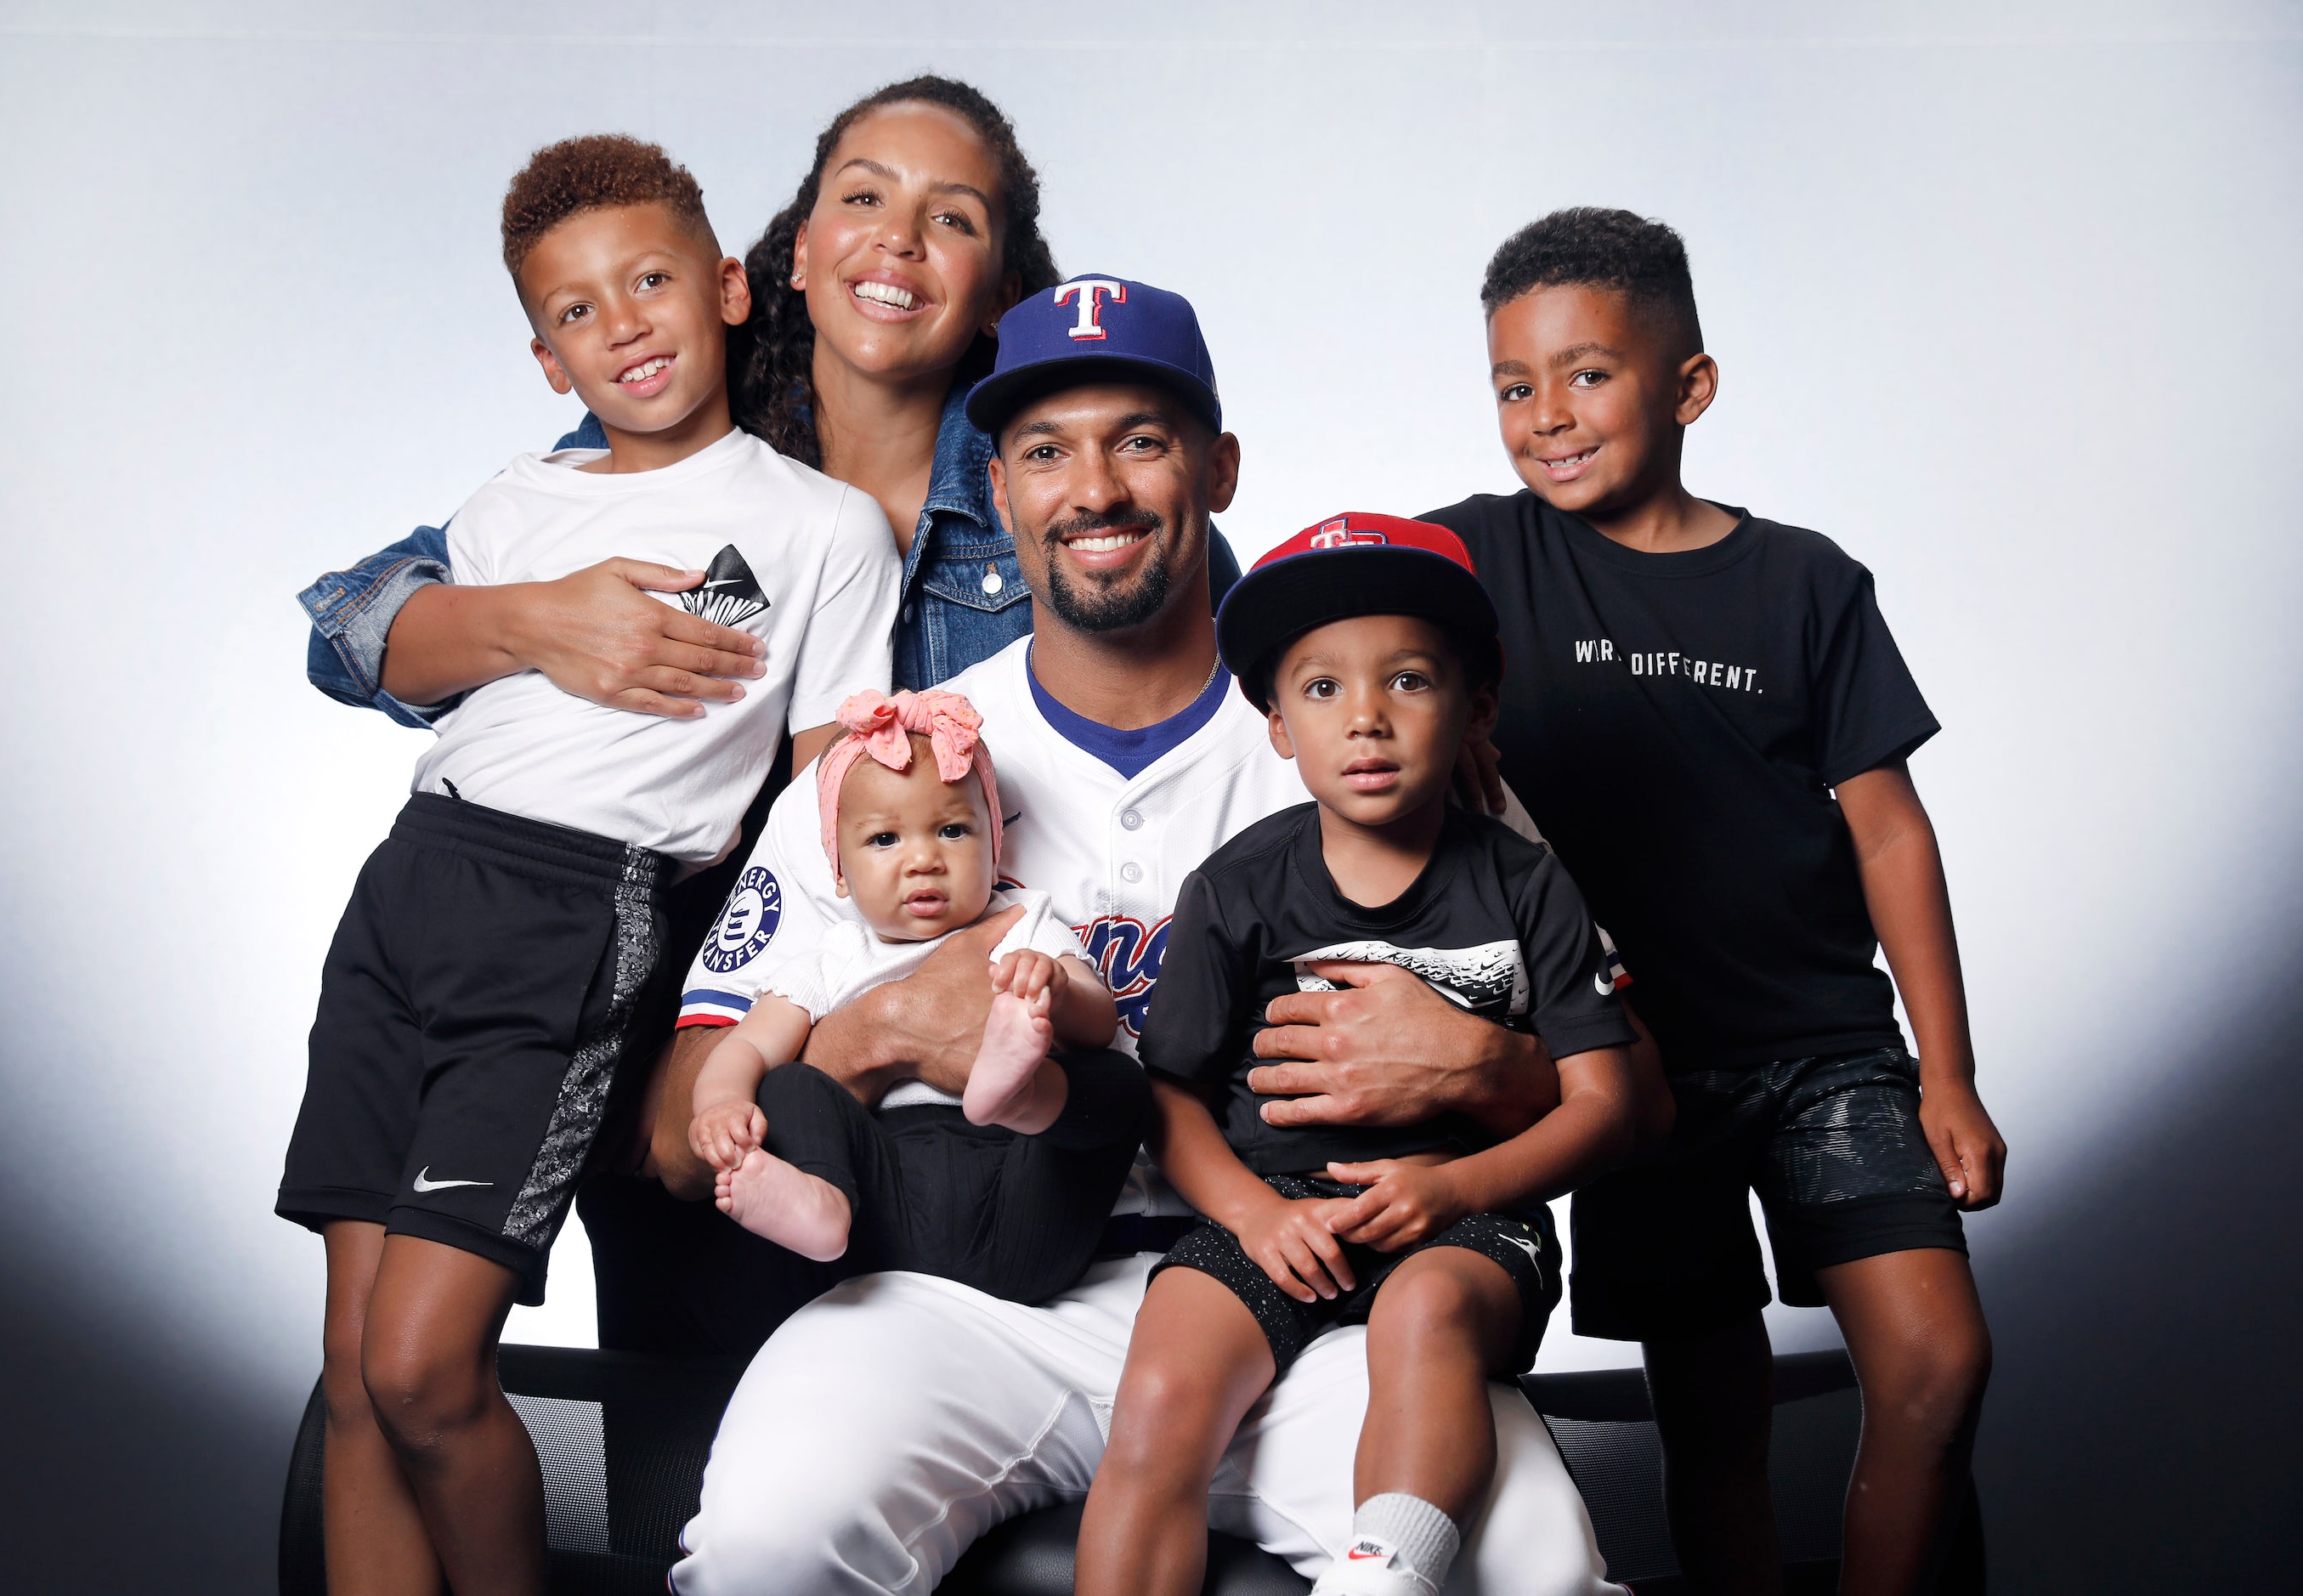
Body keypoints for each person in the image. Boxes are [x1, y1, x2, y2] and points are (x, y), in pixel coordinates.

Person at [651, 278, 1637, 1595]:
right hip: (971, 1304)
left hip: (1327, 1297)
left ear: (1218, 469)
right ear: (997, 489)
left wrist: (1476, 1070)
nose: (1094, 488)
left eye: (1141, 440)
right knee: (767, 1541)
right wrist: (875, 1028)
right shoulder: (896, 753)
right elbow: (674, 1136)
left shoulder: (1364, 724)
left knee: (1531, 1568)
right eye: (1048, 450)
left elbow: (1636, 1091)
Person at [294, 76, 1238, 1354]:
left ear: (1003, 289)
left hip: (974, 1098)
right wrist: (534, 620)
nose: (898, 242)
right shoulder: (670, 434)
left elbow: (1232, 707)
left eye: (951, 218)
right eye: (861, 199)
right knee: (695, 1500)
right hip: (667, 1040)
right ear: (790, 253)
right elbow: (354, 628)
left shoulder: (1063, 489)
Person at [275, 136, 898, 1596]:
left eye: (650, 281)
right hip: (409, 887)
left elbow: (812, 793)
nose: (620, 323)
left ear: (731, 290)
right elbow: (364, 645)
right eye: (575, 310)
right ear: (546, 357)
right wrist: (527, 614)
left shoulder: (810, 528)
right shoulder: (504, 509)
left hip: (574, 912)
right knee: (359, 1372)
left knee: (429, 1365)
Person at [1423, 207, 2005, 1595]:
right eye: (1513, 384)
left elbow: (1889, 836)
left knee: (1934, 1358)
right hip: (1630, 1073)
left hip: (1825, 1052)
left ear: (1687, 385)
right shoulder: (1470, 562)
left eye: (1586, 374)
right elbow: (1298, 624)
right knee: (1712, 1425)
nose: (1545, 416)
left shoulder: (1801, 582)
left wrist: (1949, 1072)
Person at [1077, 513, 1664, 1596]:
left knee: (1424, 1313)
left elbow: (1603, 1100)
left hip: (1469, 1222)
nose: (1367, 721)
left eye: (1408, 682)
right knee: (1162, 1387)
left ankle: (1384, 1576)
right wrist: (1255, 1217)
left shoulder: (1524, 883)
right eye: (1321, 690)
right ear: (1276, 727)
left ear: (1476, 709)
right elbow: (1168, 1094)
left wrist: (1456, 1187)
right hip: (1277, 1215)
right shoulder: (1239, 886)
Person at [689, 686, 1146, 1304]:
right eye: (885, 840)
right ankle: (819, 1201)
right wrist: (720, 1103)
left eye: (953, 830)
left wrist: (1058, 989)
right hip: (881, 1214)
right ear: (839, 871)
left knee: (1120, 1081)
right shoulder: (834, 956)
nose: (924, 859)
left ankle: (1019, 1095)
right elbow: (749, 1046)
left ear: (995, 849)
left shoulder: (1022, 924)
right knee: (786, 1083)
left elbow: (1098, 1020)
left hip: (1022, 1201)